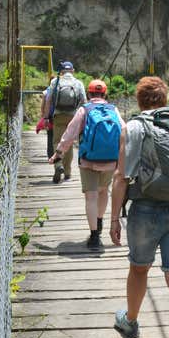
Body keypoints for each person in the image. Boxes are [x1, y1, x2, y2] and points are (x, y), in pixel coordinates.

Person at [109, 76, 169, 338]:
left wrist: (114, 218)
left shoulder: (134, 126)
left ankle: (131, 322)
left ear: (138, 100)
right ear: (164, 100)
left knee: (139, 268)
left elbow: (121, 177)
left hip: (146, 209)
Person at [49, 79, 124, 249]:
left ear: (89, 94)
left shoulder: (84, 109)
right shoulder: (114, 110)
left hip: (88, 161)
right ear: (105, 94)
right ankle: (99, 220)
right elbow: (124, 130)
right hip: (111, 161)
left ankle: (94, 235)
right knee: (104, 191)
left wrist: (58, 152)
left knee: (91, 196)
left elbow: (70, 133)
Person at [41, 61, 87, 183]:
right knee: (69, 143)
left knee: (57, 141)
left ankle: (58, 165)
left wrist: (46, 118)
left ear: (61, 71)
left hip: (58, 115)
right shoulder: (78, 83)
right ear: (72, 70)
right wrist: (83, 118)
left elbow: (48, 100)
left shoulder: (55, 82)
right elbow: (84, 101)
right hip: (73, 116)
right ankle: (67, 173)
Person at [37, 86, 54, 158]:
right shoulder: (62, 89)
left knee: (50, 136)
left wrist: (44, 116)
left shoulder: (46, 92)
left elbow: (43, 105)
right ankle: (59, 155)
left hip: (50, 117)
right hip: (60, 115)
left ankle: (50, 155)